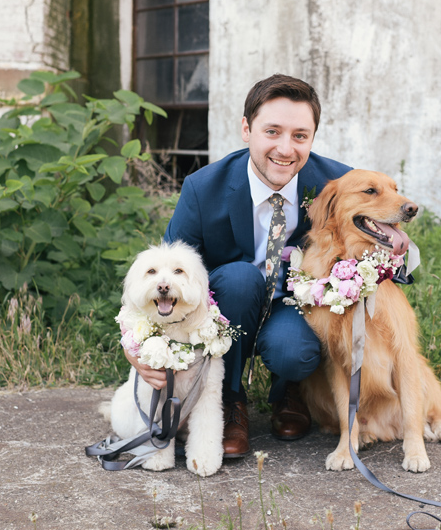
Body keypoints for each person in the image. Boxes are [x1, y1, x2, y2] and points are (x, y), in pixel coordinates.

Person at [124, 74, 351, 458]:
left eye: (300, 135)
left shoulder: (339, 183)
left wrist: (396, 244)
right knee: (241, 277)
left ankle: (289, 392)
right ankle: (231, 401)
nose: (285, 148)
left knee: (293, 350)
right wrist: (136, 343)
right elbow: (162, 269)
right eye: (272, 131)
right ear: (247, 129)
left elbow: (395, 258)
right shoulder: (203, 187)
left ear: (313, 137)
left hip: (296, 305)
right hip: (230, 299)